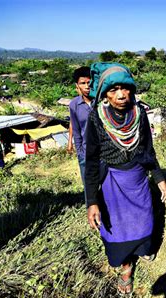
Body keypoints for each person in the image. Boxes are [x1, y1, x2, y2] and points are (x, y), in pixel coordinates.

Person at [85, 62, 166, 294]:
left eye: (125, 88)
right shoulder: (96, 118)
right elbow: (91, 161)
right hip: (111, 181)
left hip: (138, 179)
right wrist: (92, 200)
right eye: (114, 90)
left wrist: (160, 178)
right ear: (104, 93)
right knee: (118, 227)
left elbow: (147, 150)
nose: (121, 95)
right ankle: (125, 267)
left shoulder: (139, 113)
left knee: (144, 218)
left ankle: (143, 248)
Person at [69, 66, 93, 199]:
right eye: (83, 83)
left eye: (89, 82)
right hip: (85, 153)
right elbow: (76, 131)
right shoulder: (74, 105)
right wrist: (80, 153)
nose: (87, 86)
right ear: (77, 85)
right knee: (90, 190)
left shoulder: (102, 102)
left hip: (105, 153)